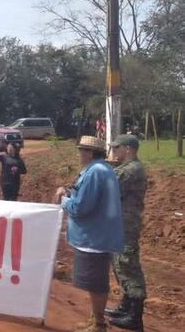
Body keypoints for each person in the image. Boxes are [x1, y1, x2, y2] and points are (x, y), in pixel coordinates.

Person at [54, 136, 124, 332]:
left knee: (95, 283)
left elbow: (82, 206)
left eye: (82, 150)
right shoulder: (101, 170)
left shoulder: (95, 172)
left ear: (90, 153)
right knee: (95, 280)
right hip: (98, 234)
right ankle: (95, 318)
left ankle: (99, 323)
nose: (79, 154)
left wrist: (64, 199)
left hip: (93, 237)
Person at [104, 135, 148, 330]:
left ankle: (135, 317)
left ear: (128, 149)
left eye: (117, 147)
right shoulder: (125, 168)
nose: (114, 151)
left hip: (126, 225)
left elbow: (108, 188)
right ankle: (125, 306)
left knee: (128, 265)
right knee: (119, 264)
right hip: (120, 223)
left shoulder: (131, 170)